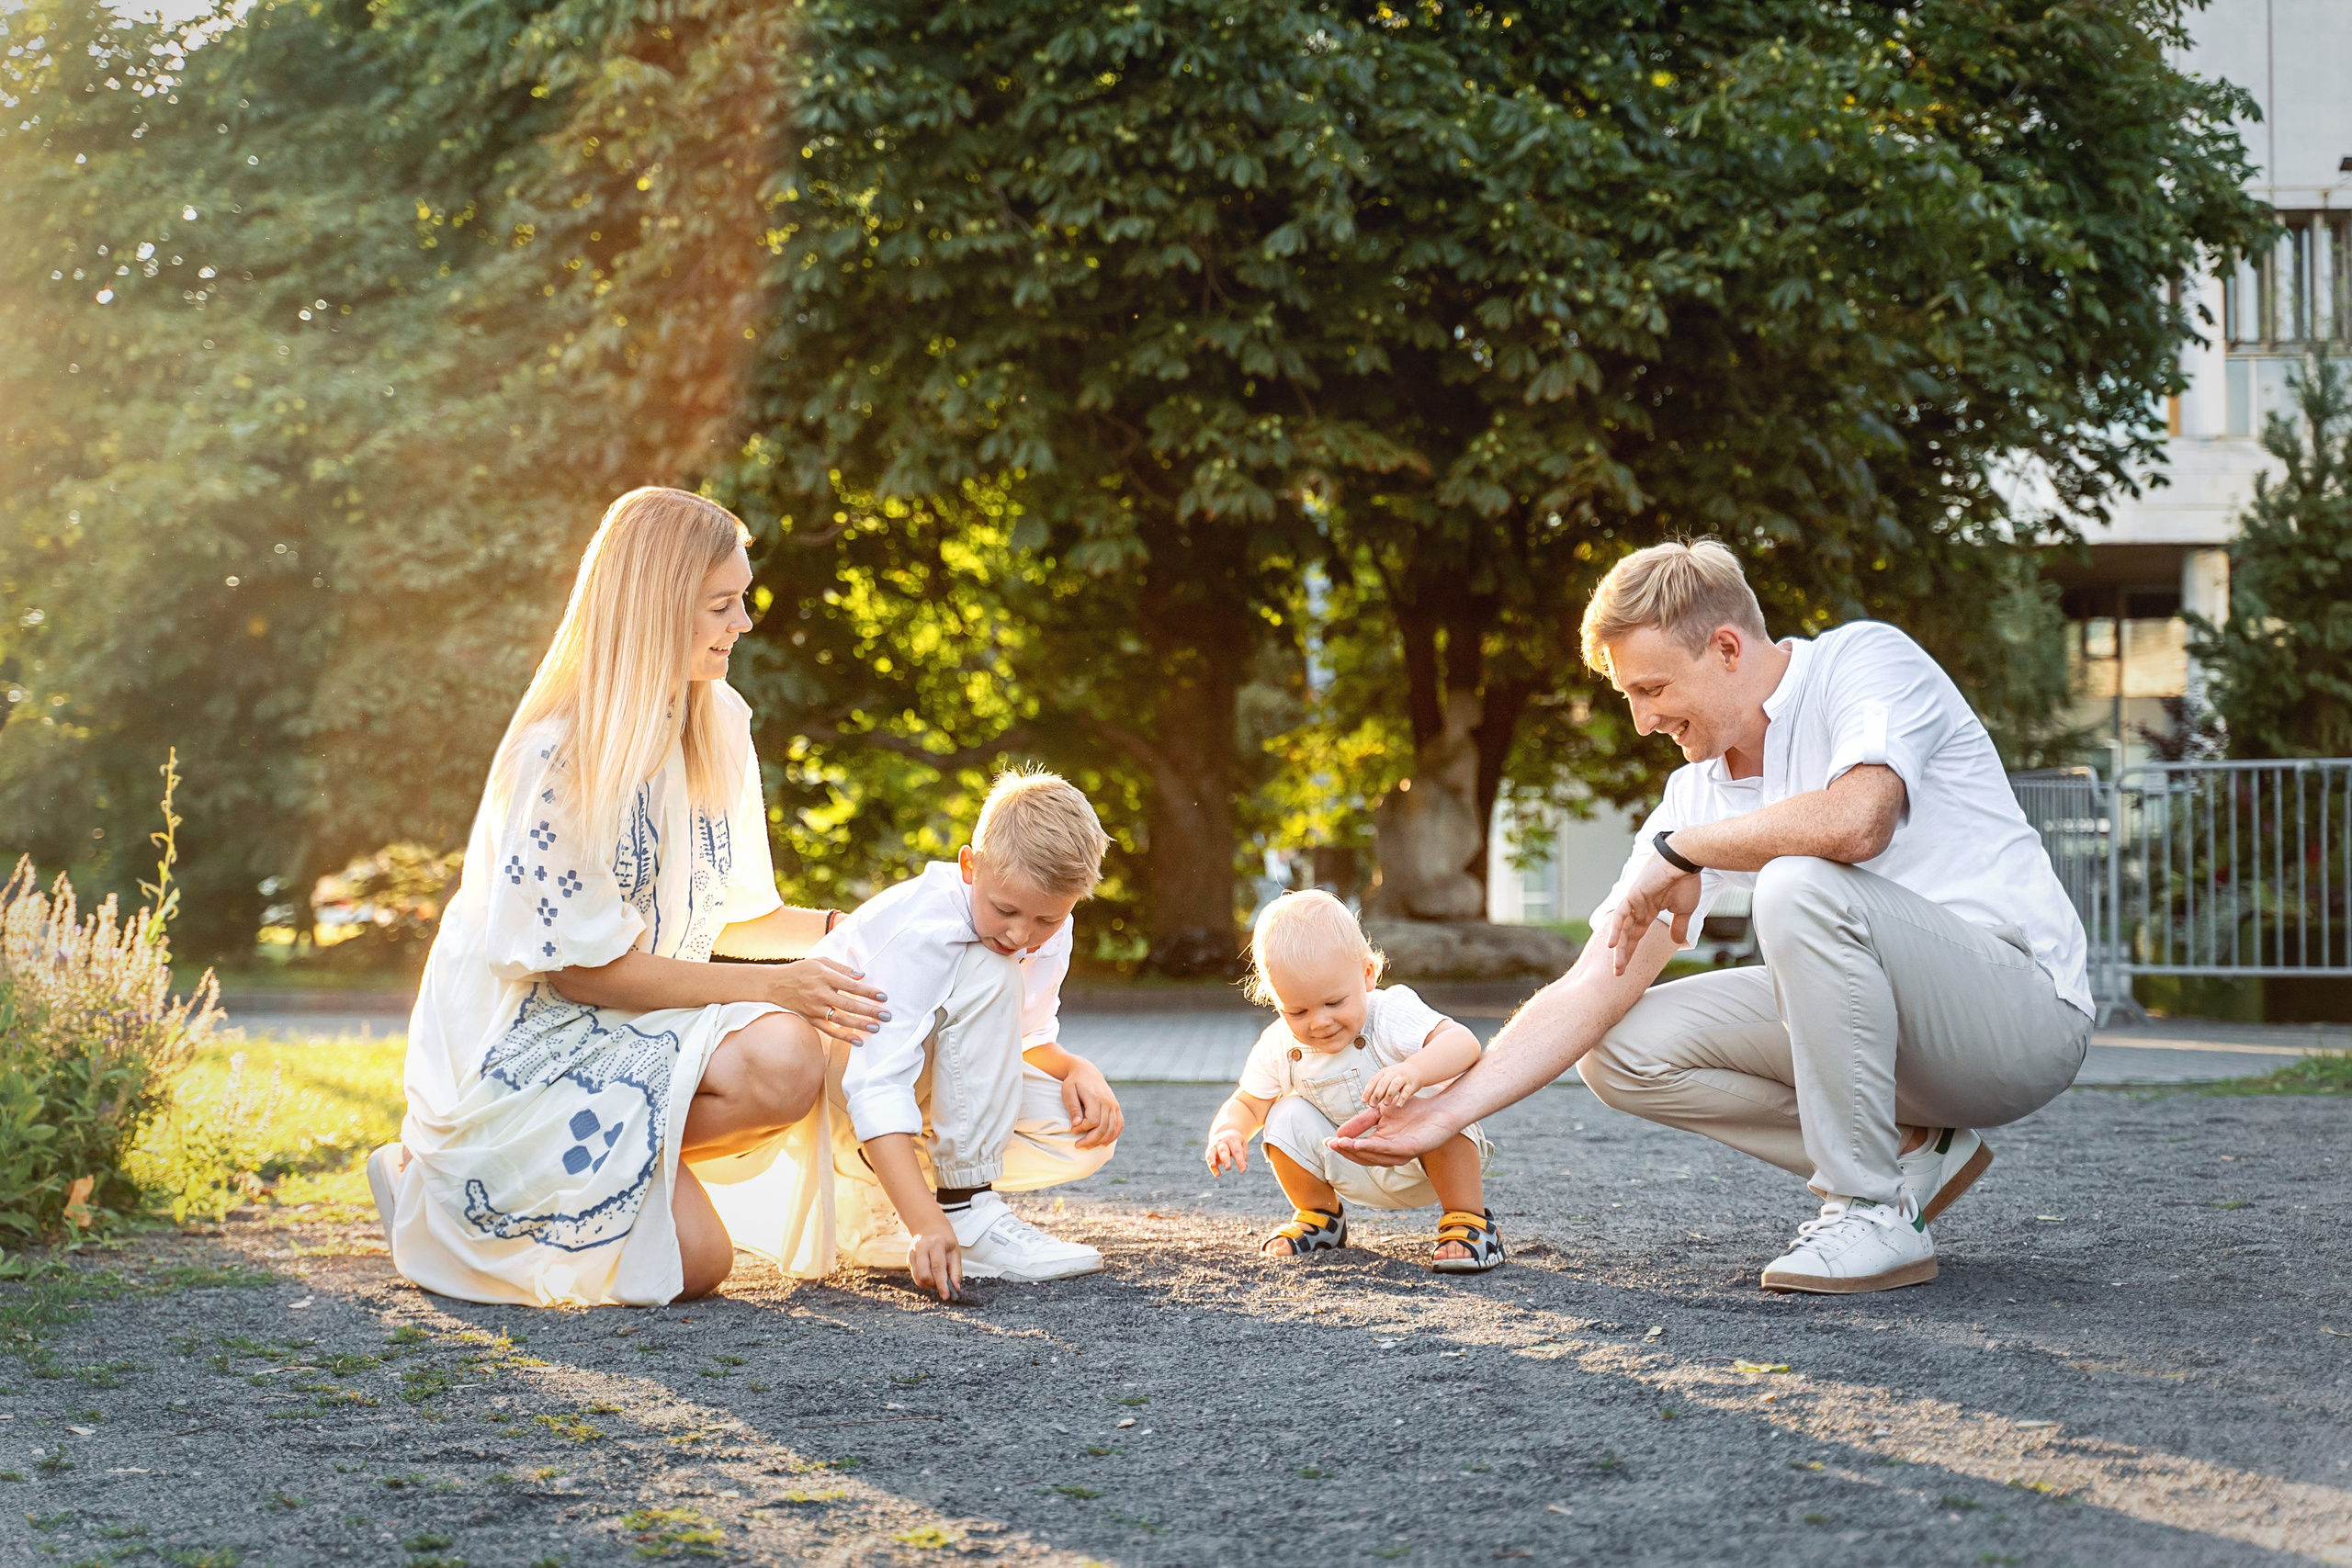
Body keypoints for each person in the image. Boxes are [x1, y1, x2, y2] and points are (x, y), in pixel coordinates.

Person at [1329, 539, 2093, 1294]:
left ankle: (1868, 1208)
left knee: (1796, 882)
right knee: (1618, 1046)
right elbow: (1595, 980)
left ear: (1726, 647)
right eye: (1630, 695)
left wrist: (1690, 851)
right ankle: (1914, 1149)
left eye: (1653, 688)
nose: (1641, 720)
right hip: (1908, 1048)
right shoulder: (1696, 794)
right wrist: (1443, 1111)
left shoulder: (1863, 662)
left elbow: (1861, 821)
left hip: (2020, 1015)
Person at [367, 487, 888, 1308]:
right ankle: (458, 1176)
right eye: (723, 604)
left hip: (635, 1029)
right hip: (537, 1042)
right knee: (699, 1262)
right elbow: (583, 974)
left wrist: (852, 929)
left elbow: (741, 914)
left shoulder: (717, 720)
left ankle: (568, 1179)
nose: (743, 623)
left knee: (797, 1055)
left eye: (741, 600)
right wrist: (774, 985)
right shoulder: (560, 754)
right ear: (657, 607)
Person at [734, 769, 1124, 1303]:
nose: (1020, 935)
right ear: (970, 865)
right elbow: (876, 1081)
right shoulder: (923, 926)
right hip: (833, 1080)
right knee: (991, 968)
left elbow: (1022, 1036)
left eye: (1046, 920)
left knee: (1079, 1132)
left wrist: (1077, 1068)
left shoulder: (1040, 920)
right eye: (1006, 910)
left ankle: (882, 1205)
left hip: (909, 1083)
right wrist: (928, 1224)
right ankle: (960, 1208)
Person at [1204, 892, 1502, 1273]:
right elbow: (1248, 1103)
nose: (1319, 1022)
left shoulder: (1390, 1011)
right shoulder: (1280, 1042)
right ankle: (1319, 1216)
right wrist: (1228, 1131)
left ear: (1367, 975)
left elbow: (1463, 1044)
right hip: (1349, 1162)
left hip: (1427, 1159)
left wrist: (1415, 1071)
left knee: (1438, 1101)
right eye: (1297, 1010)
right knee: (1283, 1112)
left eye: (1334, 1003)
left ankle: (1468, 1220)